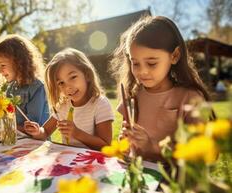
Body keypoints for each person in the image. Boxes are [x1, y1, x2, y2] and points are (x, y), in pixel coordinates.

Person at [110, 15, 214, 162]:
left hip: (173, 180)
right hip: (139, 176)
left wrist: (152, 146)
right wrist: (126, 143)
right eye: (135, 63)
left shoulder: (190, 98)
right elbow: (126, 140)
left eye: (151, 63)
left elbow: (199, 151)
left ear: (175, 56)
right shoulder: (134, 94)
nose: (142, 71)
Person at [24, 48, 114, 150]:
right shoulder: (63, 105)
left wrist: (77, 133)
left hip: (92, 163)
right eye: (61, 83)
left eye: (73, 77)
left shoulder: (100, 104)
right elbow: (45, 132)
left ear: (87, 75)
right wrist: (37, 131)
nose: (68, 87)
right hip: (68, 161)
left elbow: (106, 146)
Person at [0, 34, 49, 131]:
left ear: (18, 62)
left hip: (35, 143)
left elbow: (33, 127)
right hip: (15, 139)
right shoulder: (10, 88)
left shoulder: (37, 88)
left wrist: (8, 125)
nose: (0, 71)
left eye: (2, 65)